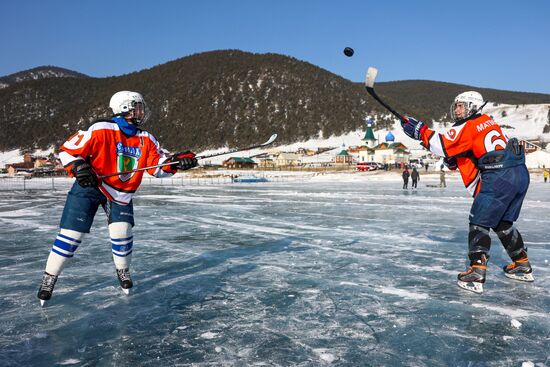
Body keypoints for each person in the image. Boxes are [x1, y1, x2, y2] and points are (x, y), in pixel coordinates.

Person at [37, 91, 198, 305]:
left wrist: (177, 162)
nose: (142, 111)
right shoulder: (100, 129)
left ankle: (123, 271)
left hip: (120, 193)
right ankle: (49, 277)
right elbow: (67, 151)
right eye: (137, 106)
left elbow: (158, 166)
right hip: (90, 186)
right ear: (124, 108)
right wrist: (79, 166)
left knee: (122, 232)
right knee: (71, 234)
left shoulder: (146, 138)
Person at [400, 91, 532, 293]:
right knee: (502, 222)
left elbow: (442, 144)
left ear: (472, 106)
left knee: (479, 221)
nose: (457, 109)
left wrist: (420, 131)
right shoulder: (488, 121)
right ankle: (521, 263)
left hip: (499, 176)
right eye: (456, 106)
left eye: (461, 105)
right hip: (520, 174)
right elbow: (472, 149)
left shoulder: (468, 125)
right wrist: (454, 156)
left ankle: (477, 272)